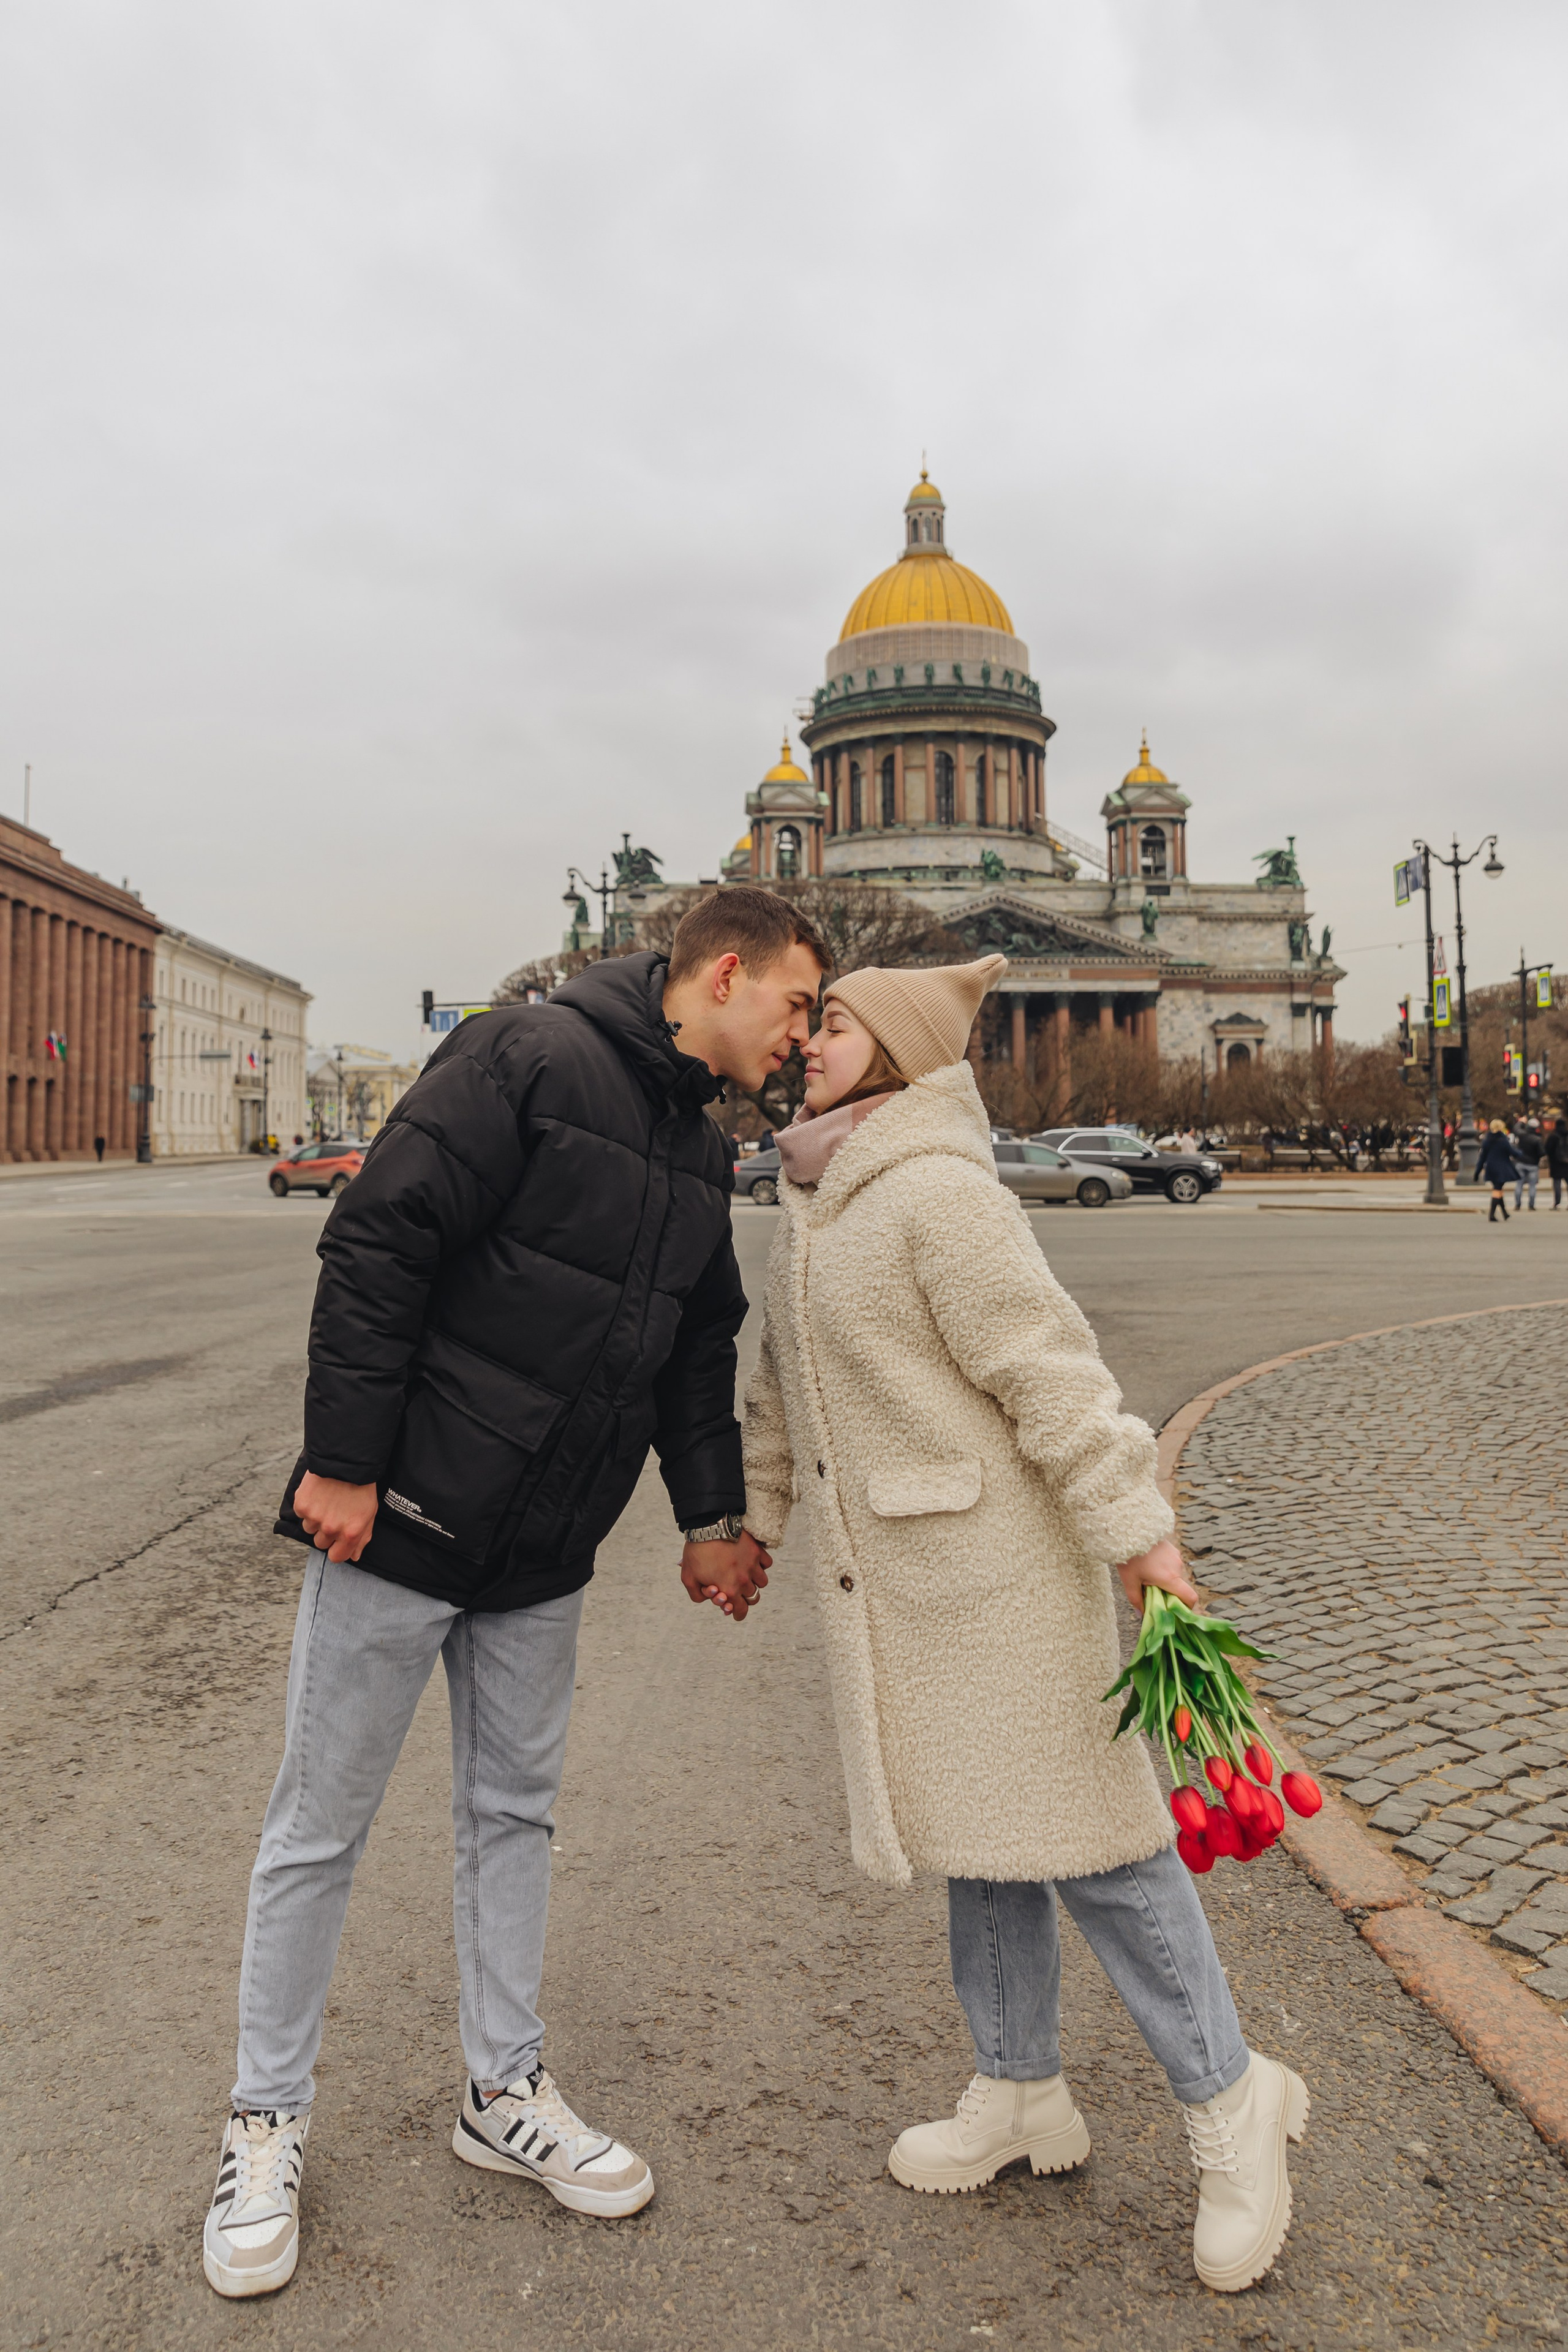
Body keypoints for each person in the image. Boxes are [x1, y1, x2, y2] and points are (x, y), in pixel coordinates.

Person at [202, 888, 829, 2301]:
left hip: (542, 1552)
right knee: (319, 1824)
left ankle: (502, 2091)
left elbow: (693, 1344)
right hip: (403, 1523)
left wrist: (712, 1516)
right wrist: (347, 1466)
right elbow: (377, 1244)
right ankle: (262, 2119)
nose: (800, 1032)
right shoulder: (525, 1055)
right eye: (794, 1001)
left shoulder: (691, 1137)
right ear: (723, 972)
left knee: (512, 1816)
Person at [737, 954, 1308, 2297]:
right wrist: (752, 1520)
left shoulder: (937, 1194)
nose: (804, 1038)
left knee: (1100, 1849)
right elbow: (781, 1387)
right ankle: (1018, 2091)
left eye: (830, 1022)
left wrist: (1139, 1535)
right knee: (977, 1841)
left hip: (999, 1576)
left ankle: (1232, 2099)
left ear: (888, 1054)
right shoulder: (814, 1192)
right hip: (910, 1586)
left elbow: (1052, 1373)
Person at [1477, 1118, 1520, 1223]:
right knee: (1497, 1190)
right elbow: (1512, 1152)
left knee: (1498, 1189)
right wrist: (1521, 1153)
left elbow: (1482, 1157)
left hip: (1491, 1168)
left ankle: (1505, 1213)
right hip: (1502, 1168)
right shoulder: (1503, 1140)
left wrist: (1477, 1171)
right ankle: (1491, 1215)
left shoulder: (1487, 1140)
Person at [1513, 1118, 1543, 1211]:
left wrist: (1521, 1121)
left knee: (1519, 1184)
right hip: (1533, 1164)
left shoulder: (1522, 1135)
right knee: (1532, 1185)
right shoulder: (1538, 1139)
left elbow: (1516, 1129)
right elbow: (1542, 1152)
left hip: (1521, 1162)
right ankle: (1531, 1205)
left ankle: (1518, 1205)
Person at [1545, 1115, 1568, 1209]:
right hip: (1567, 1163)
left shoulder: (1553, 1136)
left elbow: (1547, 1149)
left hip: (1556, 1163)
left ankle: (1557, 1203)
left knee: (1557, 1183)